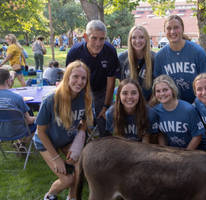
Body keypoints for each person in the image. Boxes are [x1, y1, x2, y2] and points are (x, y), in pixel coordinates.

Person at [33, 61, 94, 200]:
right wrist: (56, 159)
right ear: (67, 77)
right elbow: (41, 132)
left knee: (79, 170)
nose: (79, 82)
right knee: (67, 180)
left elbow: (84, 125)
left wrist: (77, 146)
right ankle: (50, 196)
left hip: (66, 140)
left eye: (83, 78)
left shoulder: (86, 98)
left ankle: (72, 197)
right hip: (46, 141)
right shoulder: (51, 100)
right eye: (75, 77)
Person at [66, 20, 120, 137]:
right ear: (85, 37)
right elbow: (68, 79)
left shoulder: (110, 51)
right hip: (81, 90)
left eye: (102, 39)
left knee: (104, 121)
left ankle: (105, 144)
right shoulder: (75, 52)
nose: (98, 43)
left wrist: (106, 106)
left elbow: (111, 81)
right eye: (94, 38)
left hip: (102, 89)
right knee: (79, 121)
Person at [154, 15, 206, 104]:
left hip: (196, 104)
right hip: (170, 106)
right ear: (165, 31)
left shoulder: (197, 52)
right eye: (169, 28)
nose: (172, 31)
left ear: (182, 29)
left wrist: (197, 103)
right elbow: (157, 85)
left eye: (176, 27)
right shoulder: (160, 56)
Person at [152, 75, 206, 150]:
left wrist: (185, 154)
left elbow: (198, 136)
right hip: (174, 152)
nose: (162, 94)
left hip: (193, 152)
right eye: (158, 91)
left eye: (165, 90)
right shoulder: (156, 111)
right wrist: (164, 151)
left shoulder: (188, 110)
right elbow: (161, 134)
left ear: (172, 90)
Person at [0, 68, 36, 151]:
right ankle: (23, 143)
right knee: (40, 121)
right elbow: (29, 121)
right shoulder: (17, 98)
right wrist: (37, 117)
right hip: (17, 131)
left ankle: (20, 143)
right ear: (8, 80)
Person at [118, 26, 155, 101]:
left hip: (148, 104)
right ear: (130, 40)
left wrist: (148, 107)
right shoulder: (122, 58)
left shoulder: (154, 58)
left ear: (146, 39)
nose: (137, 41)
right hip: (128, 103)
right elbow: (121, 83)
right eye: (134, 37)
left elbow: (157, 87)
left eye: (141, 37)